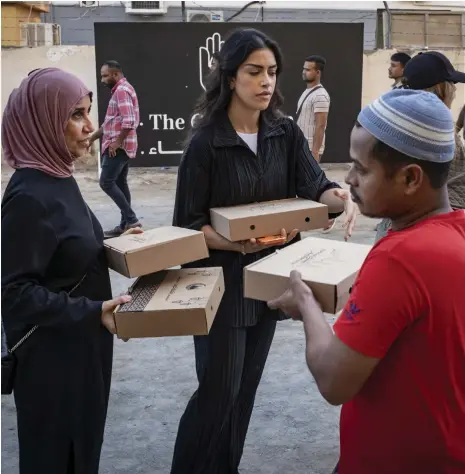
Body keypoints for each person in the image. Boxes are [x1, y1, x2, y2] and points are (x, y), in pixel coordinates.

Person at [170, 28, 357, 474]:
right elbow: (185, 226)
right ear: (230, 77)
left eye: (271, 72)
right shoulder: (205, 143)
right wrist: (232, 240)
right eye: (254, 72)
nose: (266, 82)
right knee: (217, 394)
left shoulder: (284, 133)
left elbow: (316, 186)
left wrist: (342, 197)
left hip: (271, 283)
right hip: (221, 288)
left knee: (244, 394)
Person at [269, 89, 465, 474]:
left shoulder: (399, 258)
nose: (348, 179)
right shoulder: (456, 231)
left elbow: (333, 380)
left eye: (362, 168)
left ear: (410, 178)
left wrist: (306, 302)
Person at [1, 68, 139, 474]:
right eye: (76, 116)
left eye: (88, 113)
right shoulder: (28, 195)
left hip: (82, 351)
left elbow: (68, 249)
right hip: (52, 366)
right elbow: (14, 294)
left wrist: (128, 243)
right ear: (43, 120)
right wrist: (90, 312)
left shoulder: (58, 175)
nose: (89, 128)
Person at [376, 51, 465, 241]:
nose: (455, 90)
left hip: (402, 227)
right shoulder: (434, 128)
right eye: (452, 84)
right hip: (430, 231)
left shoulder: (402, 119)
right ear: (441, 88)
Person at [89, 60, 141, 238]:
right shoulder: (122, 90)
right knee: (120, 183)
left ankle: (132, 220)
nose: (102, 79)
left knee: (106, 182)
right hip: (119, 145)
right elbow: (110, 123)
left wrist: (117, 142)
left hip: (118, 147)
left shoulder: (121, 91)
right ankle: (125, 224)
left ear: (116, 74)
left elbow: (129, 121)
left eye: (105, 75)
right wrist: (92, 138)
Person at [296, 55, 330, 163]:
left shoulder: (320, 95)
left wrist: (315, 152)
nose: (304, 72)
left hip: (310, 150)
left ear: (318, 73)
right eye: (303, 69)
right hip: (301, 147)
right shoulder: (307, 92)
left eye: (308, 70)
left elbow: (321, 125)